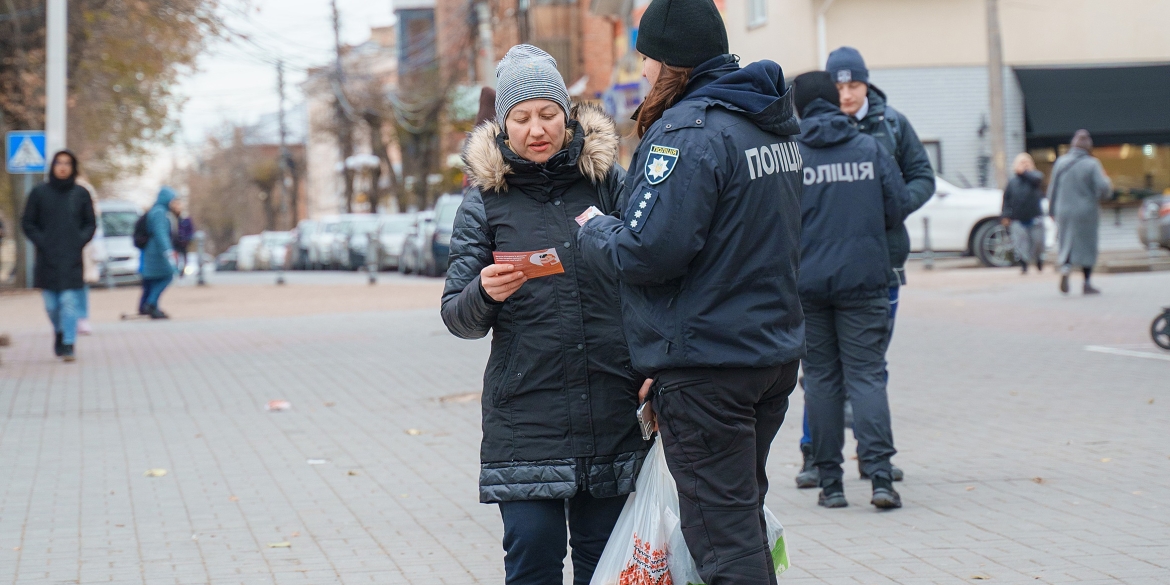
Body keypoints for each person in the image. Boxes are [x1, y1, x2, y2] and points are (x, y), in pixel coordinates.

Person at [576, 0, 804, 580]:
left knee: (723, 542)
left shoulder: (689, 132)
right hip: (767, 354)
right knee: (740, 518)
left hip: (710, 369)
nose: (644, 71)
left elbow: (648, 252)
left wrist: (596, 230)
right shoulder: (765, 123)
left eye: (648, 58)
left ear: (673, 61)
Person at [440, 45, 641, 585]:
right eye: (521, 117)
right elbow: (457, 317)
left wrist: (653, 372)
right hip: (526, 416)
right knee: (532, 555)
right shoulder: (485, 200)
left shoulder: (607, 183)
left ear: (567, 114)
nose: (537, 129)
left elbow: (648, 279)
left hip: (611, 407)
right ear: (503, 126)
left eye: (548, 113)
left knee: (607, 567)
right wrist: (484, 292)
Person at [795, 46, 936, 488]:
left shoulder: (885, 127)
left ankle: (831, 478)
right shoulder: (870, 148)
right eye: (840, 86)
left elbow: (920, 180)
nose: (848, 93)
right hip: (866, 274)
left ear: (865, 85)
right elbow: (893, 202)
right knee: (865, 374)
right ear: (831, 95)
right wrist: (874, 213)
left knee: (822, 378)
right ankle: (873, 475)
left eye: (854, 84)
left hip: (822, 278)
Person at [20, 150, 97, 361]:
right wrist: (42, 241)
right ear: (53, 166)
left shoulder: (80, 193)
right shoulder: (39, 193)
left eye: (67, 163)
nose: (63, 167)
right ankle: (60, 332)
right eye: (59, 163)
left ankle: (69, 343)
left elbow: (90, 223)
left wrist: (79, 240)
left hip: (71, 258)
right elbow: (27, 222)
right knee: (51, 305)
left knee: (69, 302)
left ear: (73, 167)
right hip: (47, 258)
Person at [1049, 129, 1112, 295]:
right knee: (1087, 246)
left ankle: (1066, 267)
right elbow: (1104, 189)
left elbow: (1052, 190)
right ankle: (1087, 283)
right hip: (1086, 211)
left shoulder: (1060, 162)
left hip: (1063, 210)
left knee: (1066, 243)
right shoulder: (1092, 164)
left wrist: (1051, 211)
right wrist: (1107, 183)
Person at [139, 187, 180, 319]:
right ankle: (151, 303)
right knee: (168, 275)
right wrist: (168, 251)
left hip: (153, 250)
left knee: (154, 279)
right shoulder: (160, 213)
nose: (174, 203)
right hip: (157, 252)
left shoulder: (156, 211)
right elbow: (161, 234)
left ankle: (153, 306)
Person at [1002, 153, 1046, 274]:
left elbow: (1037, 181)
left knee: (1037, 242)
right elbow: (1007, 199)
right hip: (1018, 217)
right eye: (1022, 163)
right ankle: (1024, 264)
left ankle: (1039, 260)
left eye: (1027, 162)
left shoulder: (1036, 177)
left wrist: (1025, 173)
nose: (1024, 165)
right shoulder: (1012, 181)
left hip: (1035, 215)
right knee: (1020, 243)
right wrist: (1005, 215)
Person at [174, 213, 195, 278]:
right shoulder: (176, 219)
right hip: (176, 242)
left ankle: (182, 272)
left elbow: (190, 231)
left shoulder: (187, 220)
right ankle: (176, 271)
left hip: (184, 243)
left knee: (184, 257)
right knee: (176, 257)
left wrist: (187, 239)